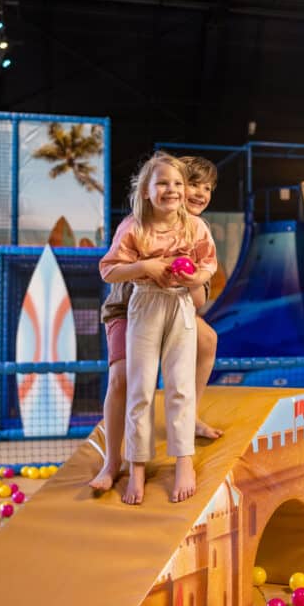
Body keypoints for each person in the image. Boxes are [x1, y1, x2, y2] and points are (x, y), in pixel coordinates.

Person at [89, 157, 222, 495]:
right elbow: (112, 269)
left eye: (207, 189)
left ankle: (188, 423)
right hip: (129, 305)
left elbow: (199, 295)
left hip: (174, 302)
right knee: (125, 380)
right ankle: (114, 461)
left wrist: (189, 276)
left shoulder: (194, 230)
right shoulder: (140, 227)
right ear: (148, 191)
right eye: (194, 185)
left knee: (204, 344)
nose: (199, 194)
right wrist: (148, 268)